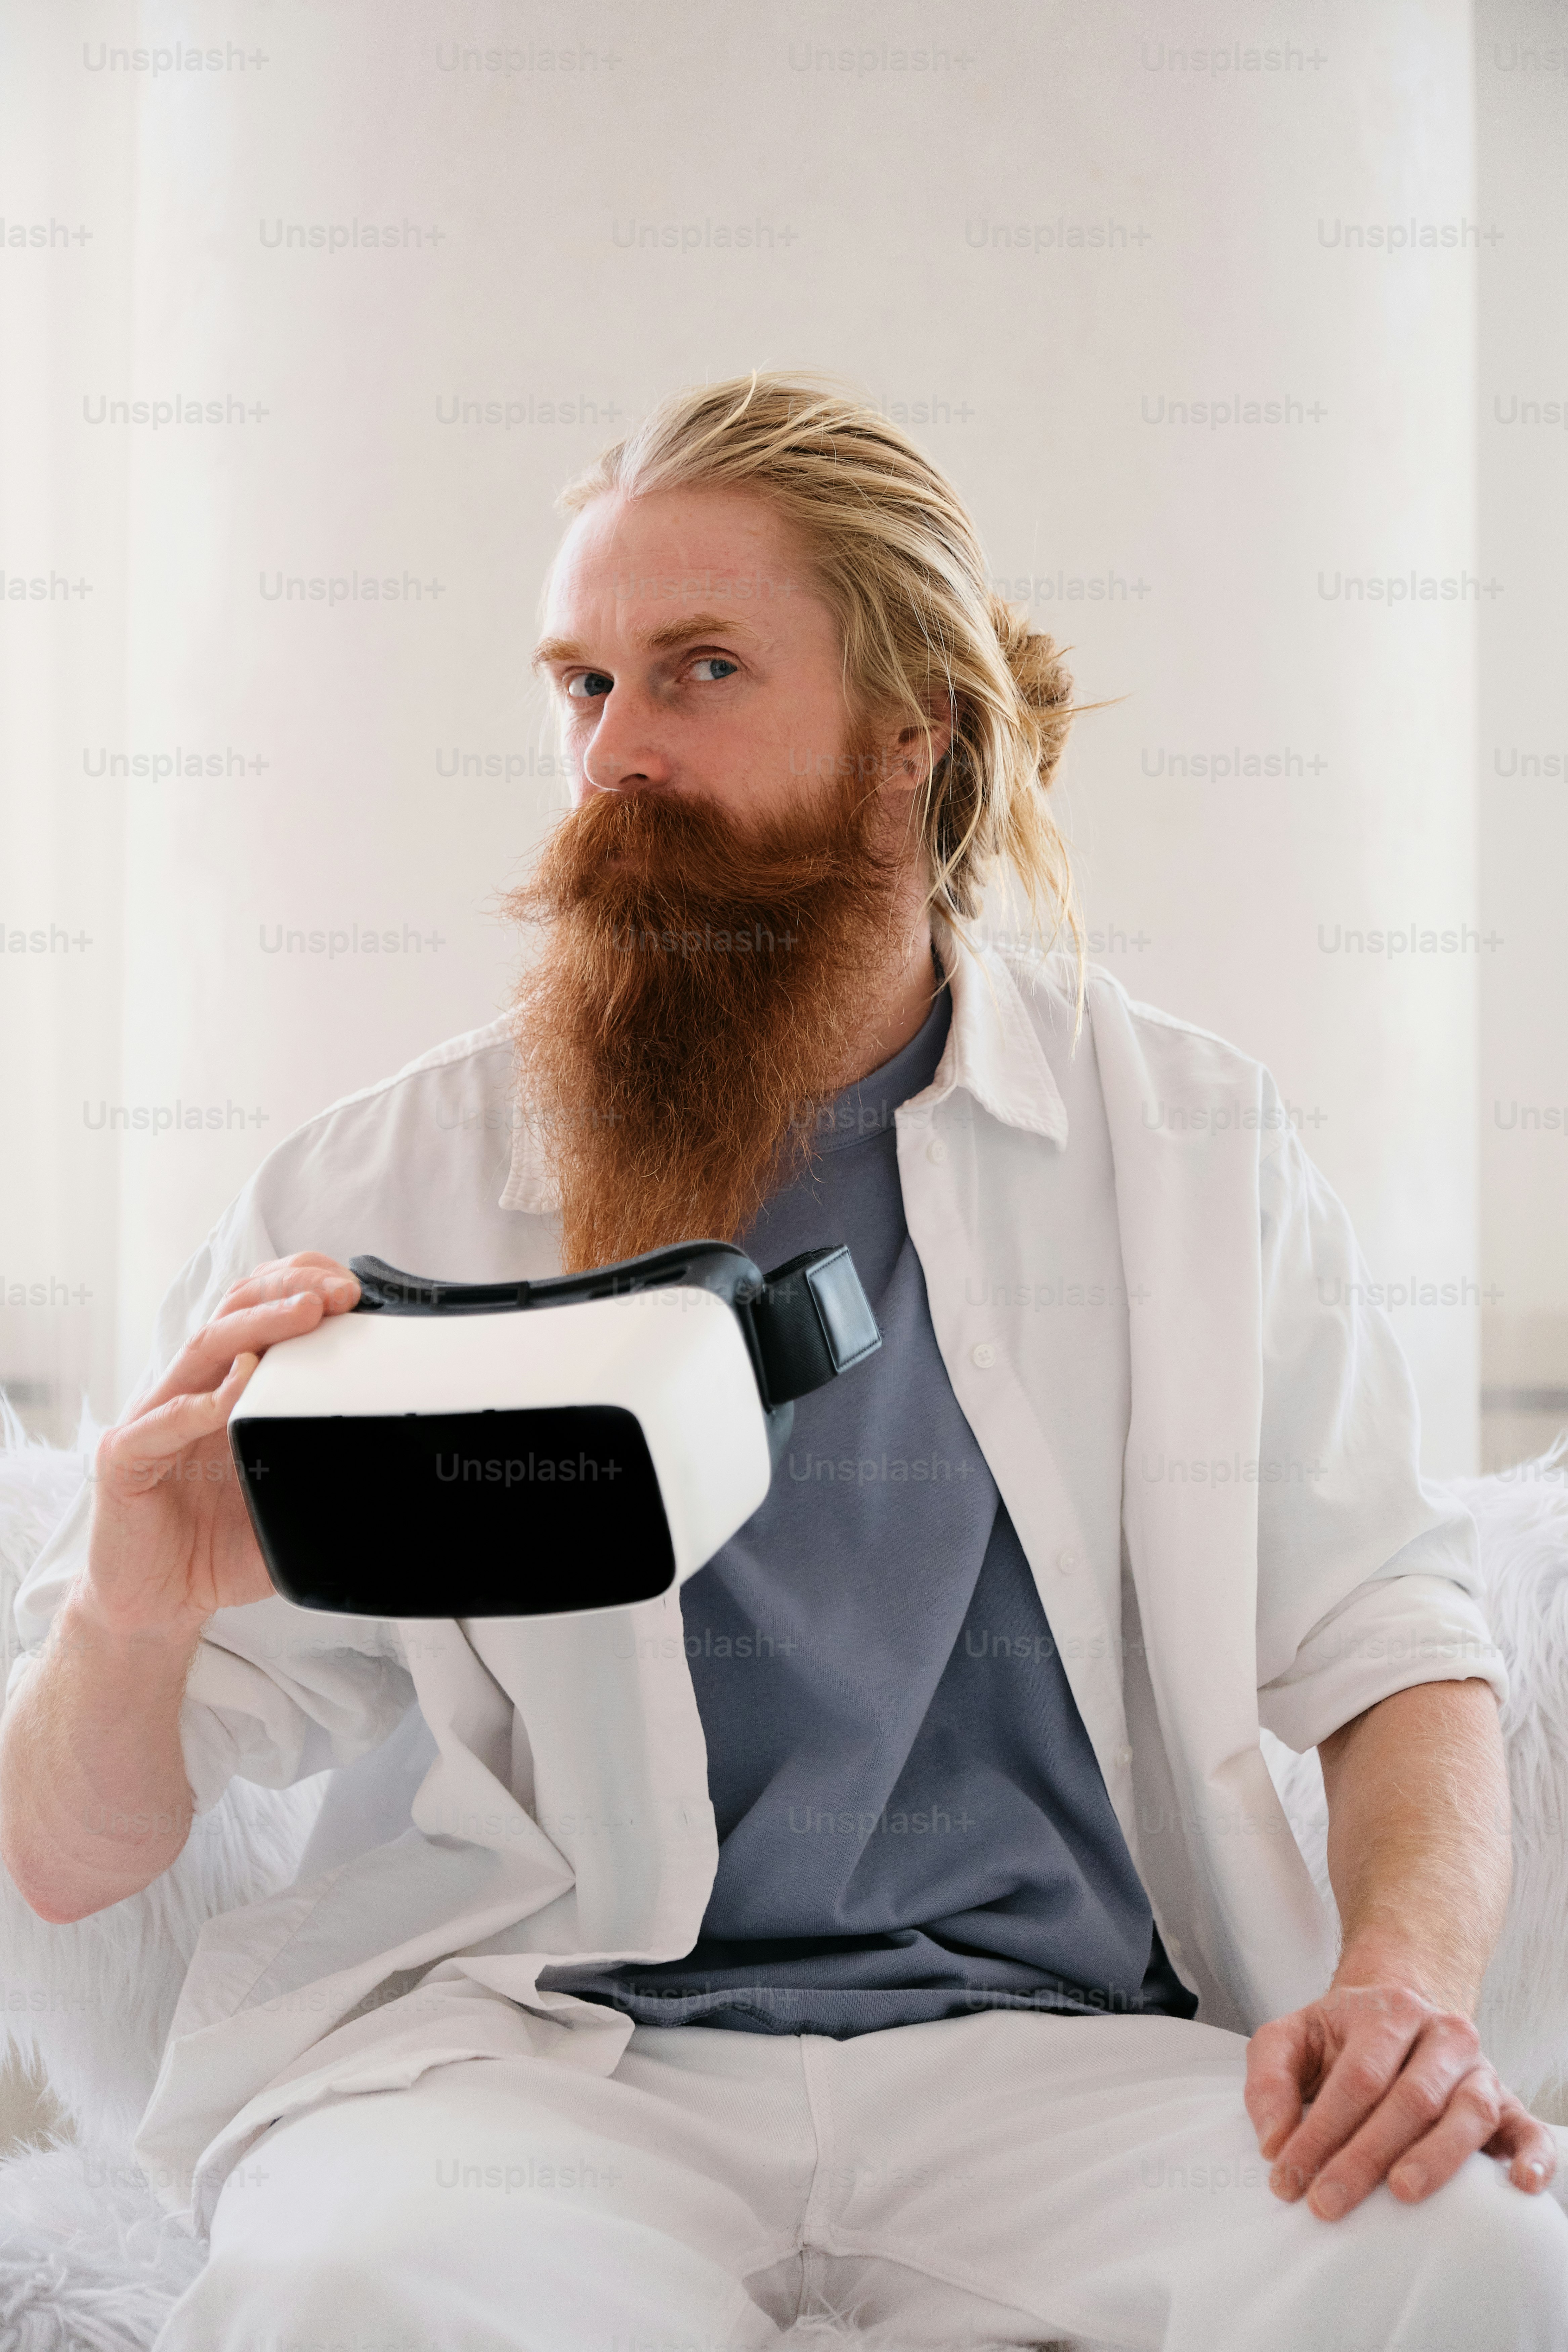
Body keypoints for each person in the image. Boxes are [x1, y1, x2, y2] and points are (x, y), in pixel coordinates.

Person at [3, 374, 1564, 2352]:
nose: (614, 753)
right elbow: (66, 1857)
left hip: (1064, 2057)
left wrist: (1406, 1978)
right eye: (579, 684)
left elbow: (1393, 1638)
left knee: (1482, 2261)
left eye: (700, 670)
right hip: (537, 2066)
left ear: (914, 736)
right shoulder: (371, 1182)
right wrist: (129, 1615)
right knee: (349, 2287)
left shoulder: (1188, 1150)